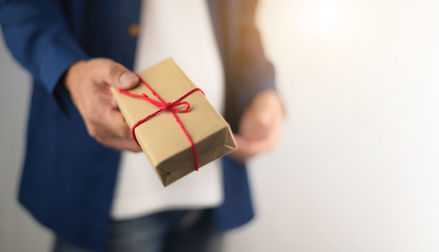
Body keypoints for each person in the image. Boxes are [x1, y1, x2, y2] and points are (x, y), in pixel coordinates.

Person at [0, 0, 283, 251]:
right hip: (106, 183)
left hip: (212, 173)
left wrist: (262, 91)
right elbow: (21, 7)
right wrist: (72, 72)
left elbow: (243, 19)